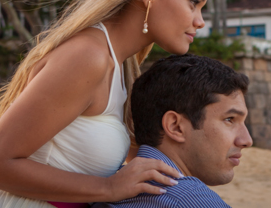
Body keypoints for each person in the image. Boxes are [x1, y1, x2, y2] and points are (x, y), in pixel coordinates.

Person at [0, 0, 212, 208]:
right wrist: (109, 187)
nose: (199, 21)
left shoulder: (123, 66)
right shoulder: (88, 56)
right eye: (193, 2)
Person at [93, 54, 252, 208]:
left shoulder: (102, 192)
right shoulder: (191, 200)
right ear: (175, 126)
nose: (247, 140)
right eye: (229, 119)